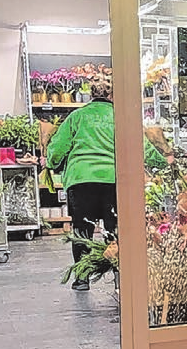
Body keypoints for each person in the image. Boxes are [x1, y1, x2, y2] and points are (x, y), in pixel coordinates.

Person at [46, 72, 168, 291]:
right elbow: (142, 146)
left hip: (81, 180)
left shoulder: (77, 117)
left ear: (91, 95)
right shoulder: (121, 117)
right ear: (113, 95)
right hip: (115, 181)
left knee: (82, 231)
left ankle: (82, 278)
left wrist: (53, 164)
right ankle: (121, 278)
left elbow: (58, 147)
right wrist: (163, 162)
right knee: (116, 230)